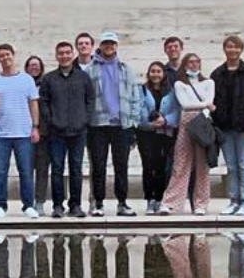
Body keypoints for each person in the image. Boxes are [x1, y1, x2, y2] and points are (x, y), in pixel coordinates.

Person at [83, 31, 141, 217]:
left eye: (112, 43)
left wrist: (133, 122)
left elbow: (135, 97)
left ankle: (122, 203)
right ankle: (98, 203)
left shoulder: (125, 68)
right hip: (97, 124)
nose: (109, 46)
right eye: (106, 43)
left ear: (116, 46)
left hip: (121, 125)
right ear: (101, 45)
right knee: (98, 166)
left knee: (121, 166)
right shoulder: (90, 69)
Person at [209, 36, 244, 216]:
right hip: (225, 128)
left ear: (241, 49)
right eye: (229, 47)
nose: (232, 50)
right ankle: (234, 201)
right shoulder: (217, 74)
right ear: (224, 49)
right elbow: (213, 100)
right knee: (231, 166)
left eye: (235, 47)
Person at [0, 44, 42, 218]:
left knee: (25, 170)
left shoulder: (26, 80)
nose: (5, 58)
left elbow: (33, 103)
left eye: (7, 55)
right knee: (0, 171)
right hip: (0, 134)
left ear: (13, 56)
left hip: (23, 133)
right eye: (1, 56)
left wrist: (35, 127)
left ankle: (28, 205)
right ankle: (0, 204)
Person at [40, 42, 94, 218]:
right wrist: (51, 121)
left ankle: (76, 205)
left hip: (79, 132)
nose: (64, 56)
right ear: (56, 56)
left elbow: (90, 100)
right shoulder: (49, 79)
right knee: (57, 169)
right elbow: (44, 102)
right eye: (60, 53)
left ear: (72, 55)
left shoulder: (83, 77)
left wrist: (85, 119)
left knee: (76, 169)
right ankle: (57, 205)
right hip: (57, 132)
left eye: (67, 53)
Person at [162, 53, 214, 215]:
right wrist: (205, 104)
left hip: (203, 123)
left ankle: (200, 204)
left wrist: (205, 105)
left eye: (197, 62)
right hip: (186, 123)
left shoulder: (208, 82)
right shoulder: (179, 84)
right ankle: (171, 203)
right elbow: (185, 104)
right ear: (185, 64)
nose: (194, 65)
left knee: (202, 165)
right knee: (181, 164)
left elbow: (209, 99)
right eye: (190, 62)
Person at [134, 62, 179, 214]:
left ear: (164, 74)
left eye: (159, 71)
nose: (156, 74)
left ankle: (159, 200)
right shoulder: (142, 90)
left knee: (161, 167)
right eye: (152, 71)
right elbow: (139, 108)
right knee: (148, 166)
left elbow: (176, 110)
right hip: (146, 133)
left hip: (164, 133)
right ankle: (149, 200)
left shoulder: (172, 91)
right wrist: (151, 123)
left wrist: (165, 121)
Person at [23, 56, 51, 215]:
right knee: (26, 168)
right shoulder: (21, 84)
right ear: (26, 68)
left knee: (42, 168)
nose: (34, 68)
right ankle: (27, 201)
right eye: (31, 65)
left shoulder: (46, 84)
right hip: (24, 131)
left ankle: (39, 201)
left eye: (37, 65)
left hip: (44, 132)